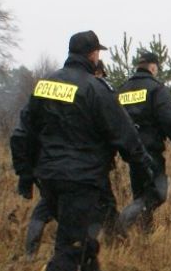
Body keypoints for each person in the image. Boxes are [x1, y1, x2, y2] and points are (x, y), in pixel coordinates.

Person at [10, 30, 155, 271]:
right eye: (97, 53)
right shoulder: (95, 89)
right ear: (92, 55)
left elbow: (21, 134)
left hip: (49, 178)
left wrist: (26, 175)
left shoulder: (44, 86)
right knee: (70, 247)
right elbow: (126, 137)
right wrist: (146, 174)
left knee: (85, 240)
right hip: (81, 179)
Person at [23, 58, 120, 259]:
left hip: (50, 164)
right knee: (103, 204)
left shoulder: (52, 86)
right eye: (101, 74)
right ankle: (113, 243)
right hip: (86, 166)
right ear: (97, 72)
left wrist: (26, 171)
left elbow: (26, 130)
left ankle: (31, 251)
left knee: (45, 207)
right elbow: (114, 128)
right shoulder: (96, 91)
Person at [116, 48, 171, 234]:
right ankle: (120, 223)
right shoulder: (155, 88)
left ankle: (145, 238)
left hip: (131, 152)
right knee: (157, 193)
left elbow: (113, 121)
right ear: (152, 67)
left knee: (141, 195)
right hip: (150, 151)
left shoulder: (122, 89)